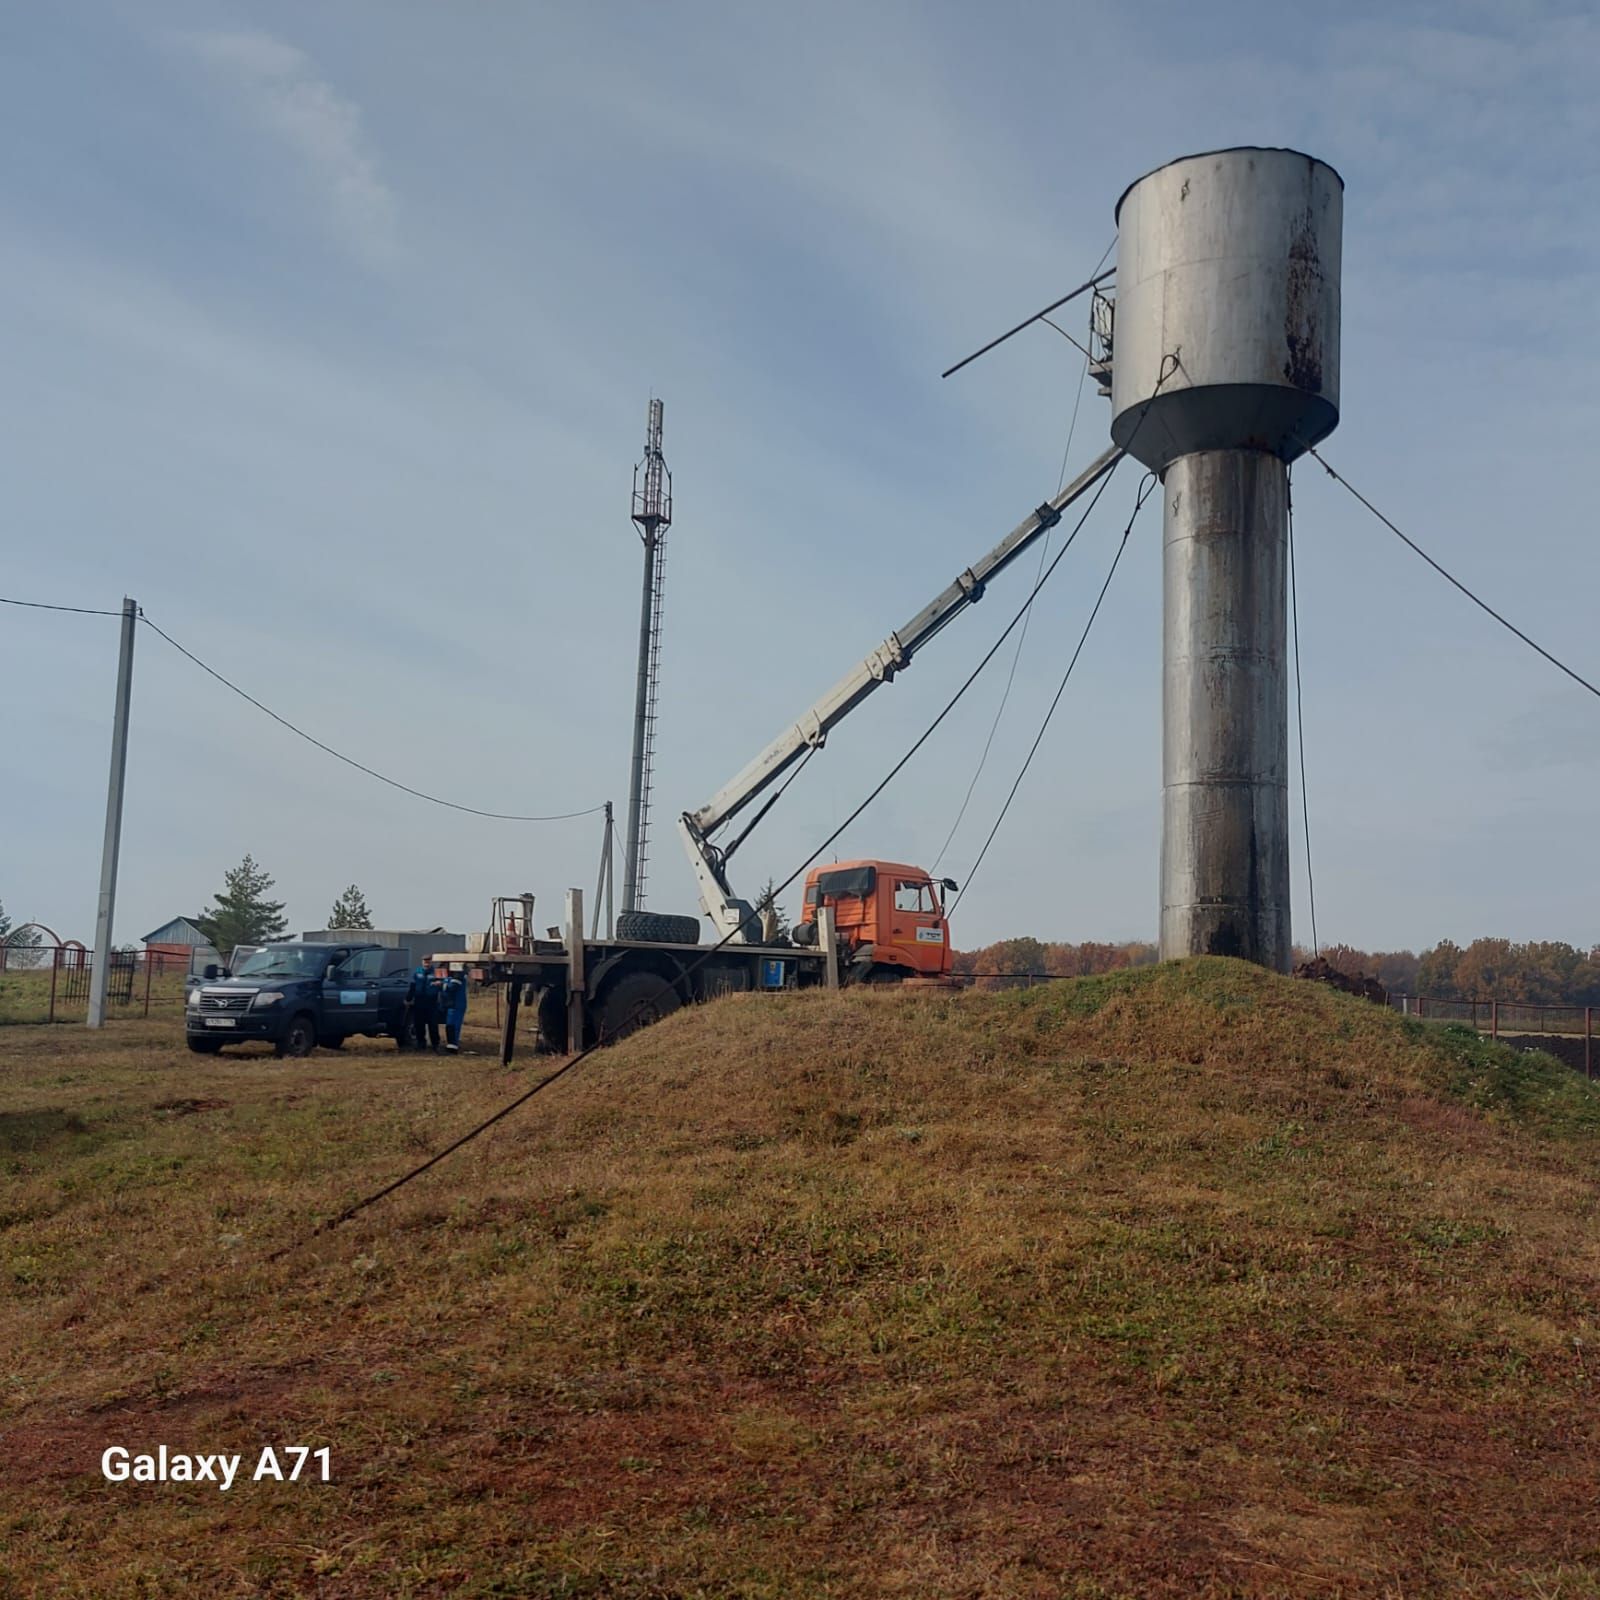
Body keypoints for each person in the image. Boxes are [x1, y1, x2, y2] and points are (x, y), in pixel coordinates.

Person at [408, 961, 441, 1053]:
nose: (426, 963)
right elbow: (412, 986)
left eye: (428, 961)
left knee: (433, 1025)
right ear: (422, 962)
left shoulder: (436, 972)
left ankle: (435, 1044)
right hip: (419, 1002)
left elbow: (441, 985)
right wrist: (408, 998)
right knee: (419, 1024)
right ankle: (421, 1044)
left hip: (432, 1002)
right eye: (425, 961)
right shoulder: (417, 972)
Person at [438, 963, 467, 1054]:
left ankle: (453, 1047)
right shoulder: (451, 977)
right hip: (451, 1005)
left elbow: (452, 988)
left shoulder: (458, 976)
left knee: (454, 1026)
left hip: (457, 1005)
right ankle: (450, 1045)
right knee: (449, 1025)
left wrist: (441, 985)